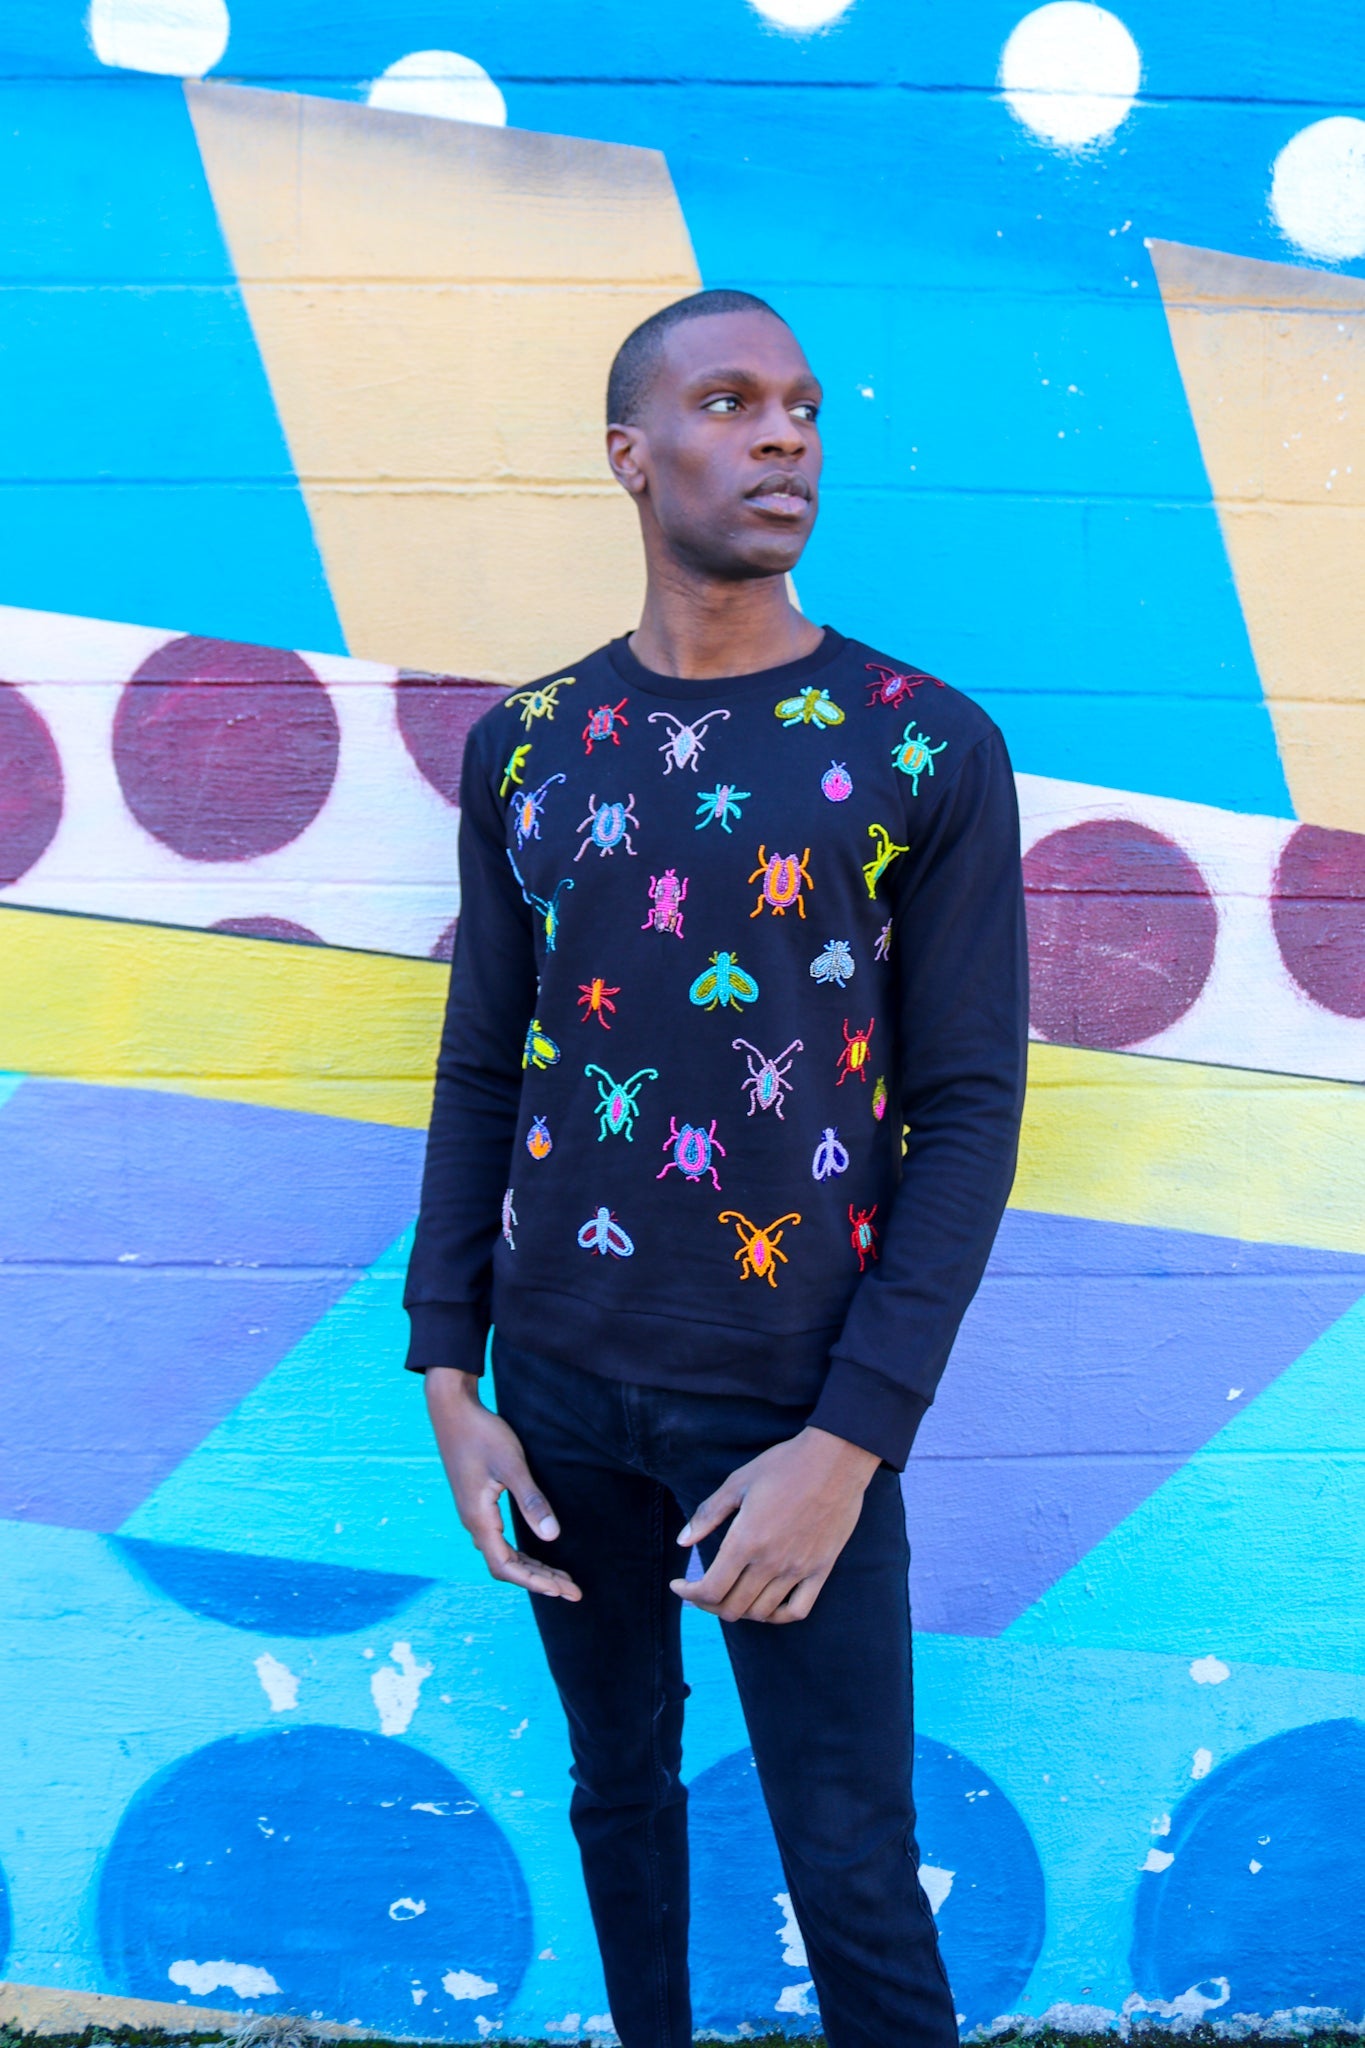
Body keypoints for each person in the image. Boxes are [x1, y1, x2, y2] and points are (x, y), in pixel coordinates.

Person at [404, 288, 1028, 2048]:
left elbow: (967, 1109)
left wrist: (848, 1447)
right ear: (631, 453)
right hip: (557, 1393)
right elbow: (484, 1060)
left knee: (850, 1857)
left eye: (803, 409)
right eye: (732, 403)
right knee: (618, 1796)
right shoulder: (530, 743)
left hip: (788, 1403)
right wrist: (449, 1374)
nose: (783, 439)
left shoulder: (921, 744)